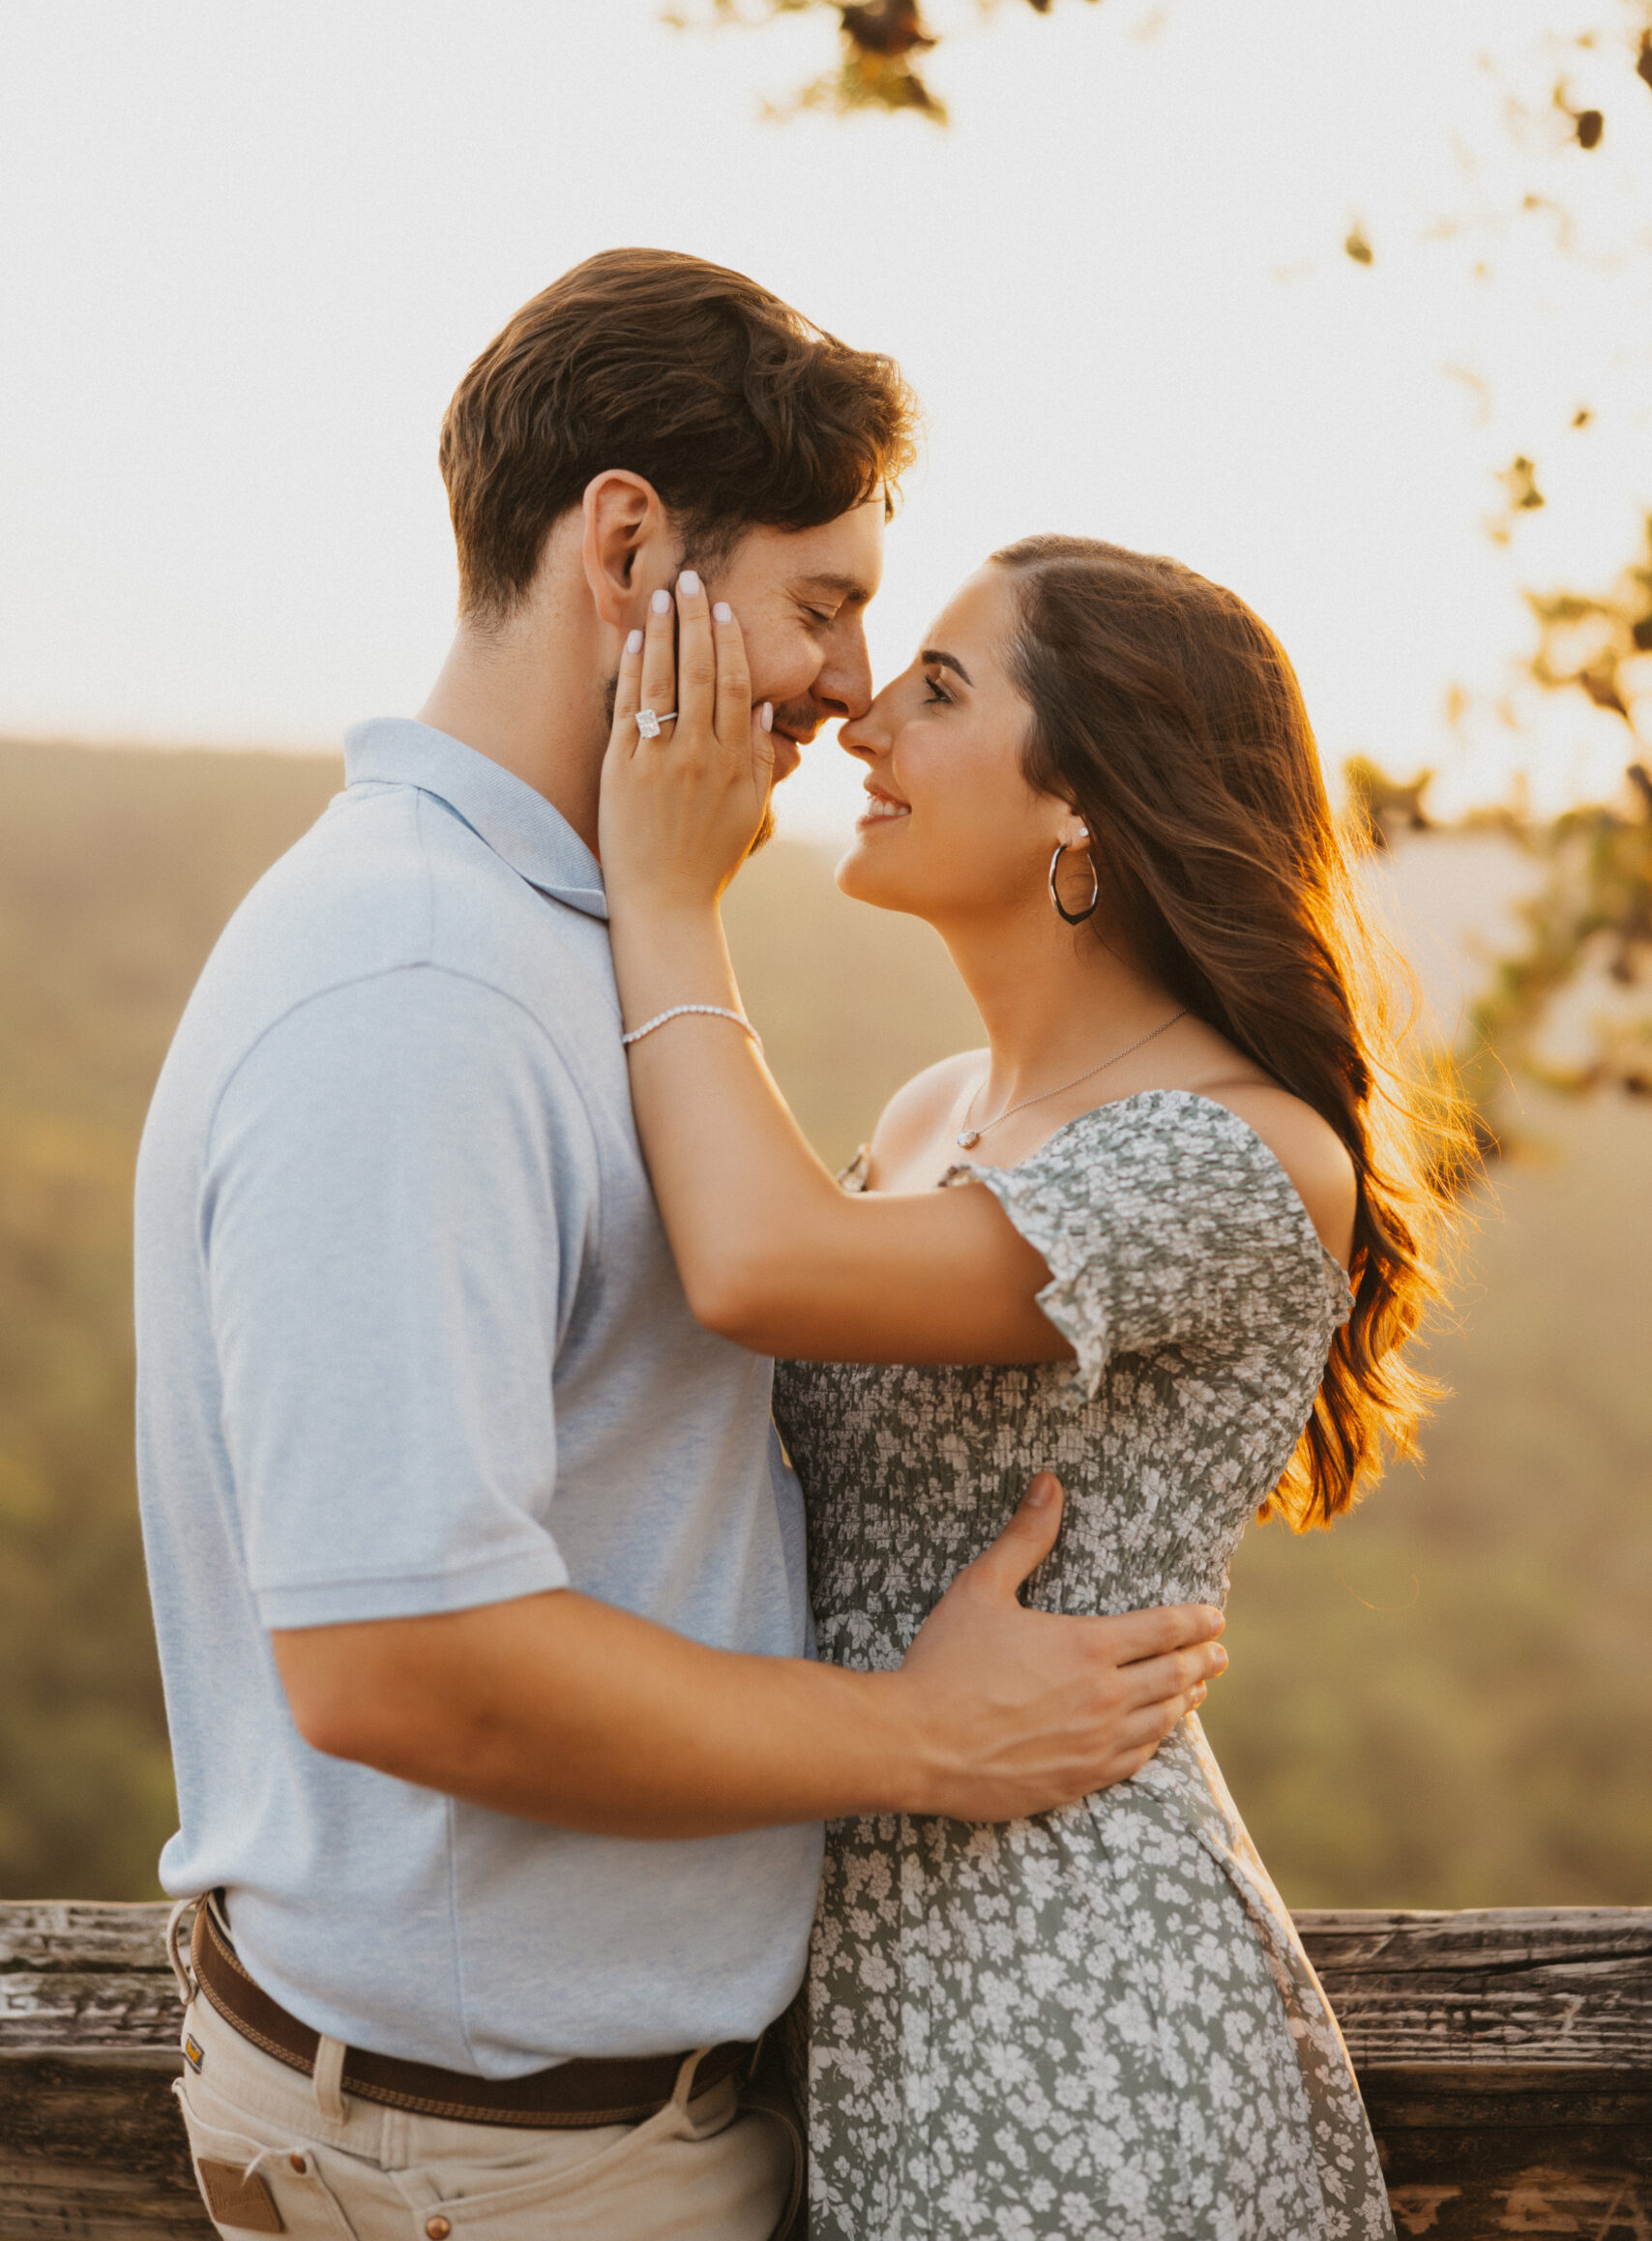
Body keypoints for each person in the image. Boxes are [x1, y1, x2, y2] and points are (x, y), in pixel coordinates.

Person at [134, 251, 1227, 2241]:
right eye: (821, 603)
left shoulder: (576, 941)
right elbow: (401, 1661)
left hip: (602, 2132)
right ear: (628, 543)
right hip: (503, 2161)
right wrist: (923, 1738)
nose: (840, 680)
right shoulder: (415, 983)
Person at [597, 539, 1456, 2240]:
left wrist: (666, 891)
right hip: (860, 2003)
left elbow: (758, 1269)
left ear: (1086, 803)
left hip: (1076, 2015)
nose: (863, 726)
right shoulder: (929, 1116)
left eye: (937, 690)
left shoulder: (1242, 1153)